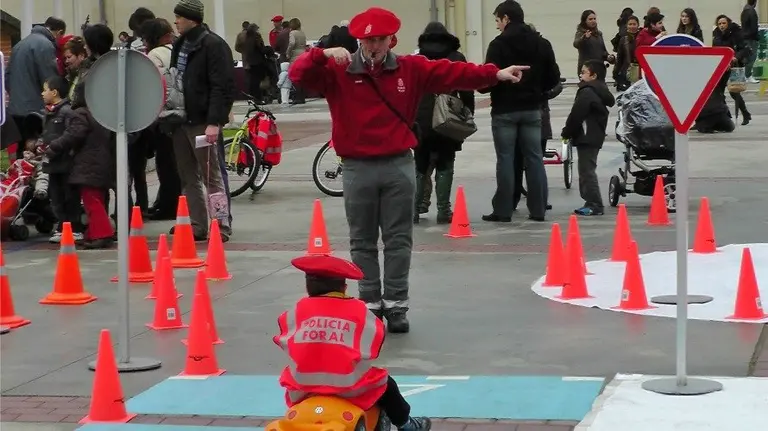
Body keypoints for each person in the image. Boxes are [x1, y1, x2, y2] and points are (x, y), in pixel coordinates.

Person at [289, 6, 529, 332]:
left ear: (392, 40)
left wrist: (495, 74)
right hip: (357, 167)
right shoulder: (338, 70)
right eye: (368, 40)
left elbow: (453, 72)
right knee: (362, 241)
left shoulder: (410, 69)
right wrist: (320, 54)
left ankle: (396, 304)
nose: (374, 46)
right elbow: (298, 75)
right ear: (359, 40)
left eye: (380, 39)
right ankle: (369, 302)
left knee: (398, 240)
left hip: (398, 164)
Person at [274, 254, 432, 431]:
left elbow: (283, 337)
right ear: (344, 287)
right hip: (349, 388)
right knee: (387, 384)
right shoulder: (357, 309)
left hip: (303, 388)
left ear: (307, 287)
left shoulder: (297, 309)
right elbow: (375, 341)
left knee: (289, 377)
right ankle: (406, 424)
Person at [481, 0, 560, 223]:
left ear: (506, 18)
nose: (497, 25)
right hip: (532, 109)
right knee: (534, 158)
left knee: (506, 159)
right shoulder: (542, 43)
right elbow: (553, 77)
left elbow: (489, 77)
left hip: (504, 110)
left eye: (498, 20)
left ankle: (503, 210)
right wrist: (536, 90)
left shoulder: (498, 45)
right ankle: (538, 209)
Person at [168, 0, 235, 242]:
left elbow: (221, 86)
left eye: (179, 17)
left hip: (202, 121)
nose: (176, 21)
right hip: (180, 120)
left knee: (211, 176)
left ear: (191, 19)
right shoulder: (179, 44)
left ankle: (221, 224)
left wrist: (214, 121)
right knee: (188, 176)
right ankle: (197, 224)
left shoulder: (213, 45)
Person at [413, 22, 474, 225]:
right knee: (445, 164)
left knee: (420, 166)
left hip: (422, 118)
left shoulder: (417, 58)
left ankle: (413, 210)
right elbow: (467, 88)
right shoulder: (456, 57)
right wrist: (467, 113)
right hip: (448, 116)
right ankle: (443, 211)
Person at [5, 17, 66, 159]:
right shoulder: (45, 45)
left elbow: (7, 76)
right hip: (36, 111)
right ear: (59, 32)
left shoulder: (19, 45)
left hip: (16, 109)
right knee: (35, 153)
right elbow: (50, 79)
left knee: (21, 155)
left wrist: (16, 95)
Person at [561, 60, 614, 217]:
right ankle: (590, 202)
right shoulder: (599, 90)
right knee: (587, 169)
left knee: (586, 171)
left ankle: (595, 204)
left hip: (587, 135)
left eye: (584, 72)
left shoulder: (587, 92)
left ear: (593, 75)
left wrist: (567, 132)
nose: (580, 74)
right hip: (594, 135)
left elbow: (577, 114)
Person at [39, 75, 82, 243]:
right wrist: (40, 145)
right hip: (52, 163)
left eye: (45, 90)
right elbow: (46, 134)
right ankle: (62, 226)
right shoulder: (48, 112)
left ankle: (75, 227)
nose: (42, 93)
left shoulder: (67, 112)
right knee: (56, 197)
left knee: (69, 196)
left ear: (55, 92)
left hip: (65, 163)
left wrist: (57, 148)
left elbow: (71, 135)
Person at [741, 0, 759, 83]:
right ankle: (748, 75)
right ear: (755, 2)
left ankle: (745, 75)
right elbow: (753, 27)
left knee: (747, 57)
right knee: (752, 57)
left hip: (745, 37)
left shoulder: (744, 11)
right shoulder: (752, 11)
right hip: (751, 38)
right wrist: (757, 37)